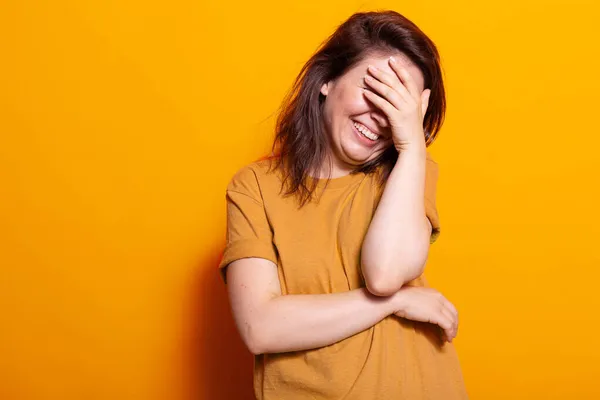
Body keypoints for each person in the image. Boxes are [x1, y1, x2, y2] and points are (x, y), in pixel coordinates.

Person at [217, 9, 468, 400]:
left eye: (399, 107)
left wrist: (412, 145)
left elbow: (384, 273)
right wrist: (397, 301)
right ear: (328, 80)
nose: (383, 117)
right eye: (376, 92)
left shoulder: (408, 170)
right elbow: (260, 328)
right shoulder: (255, 187)